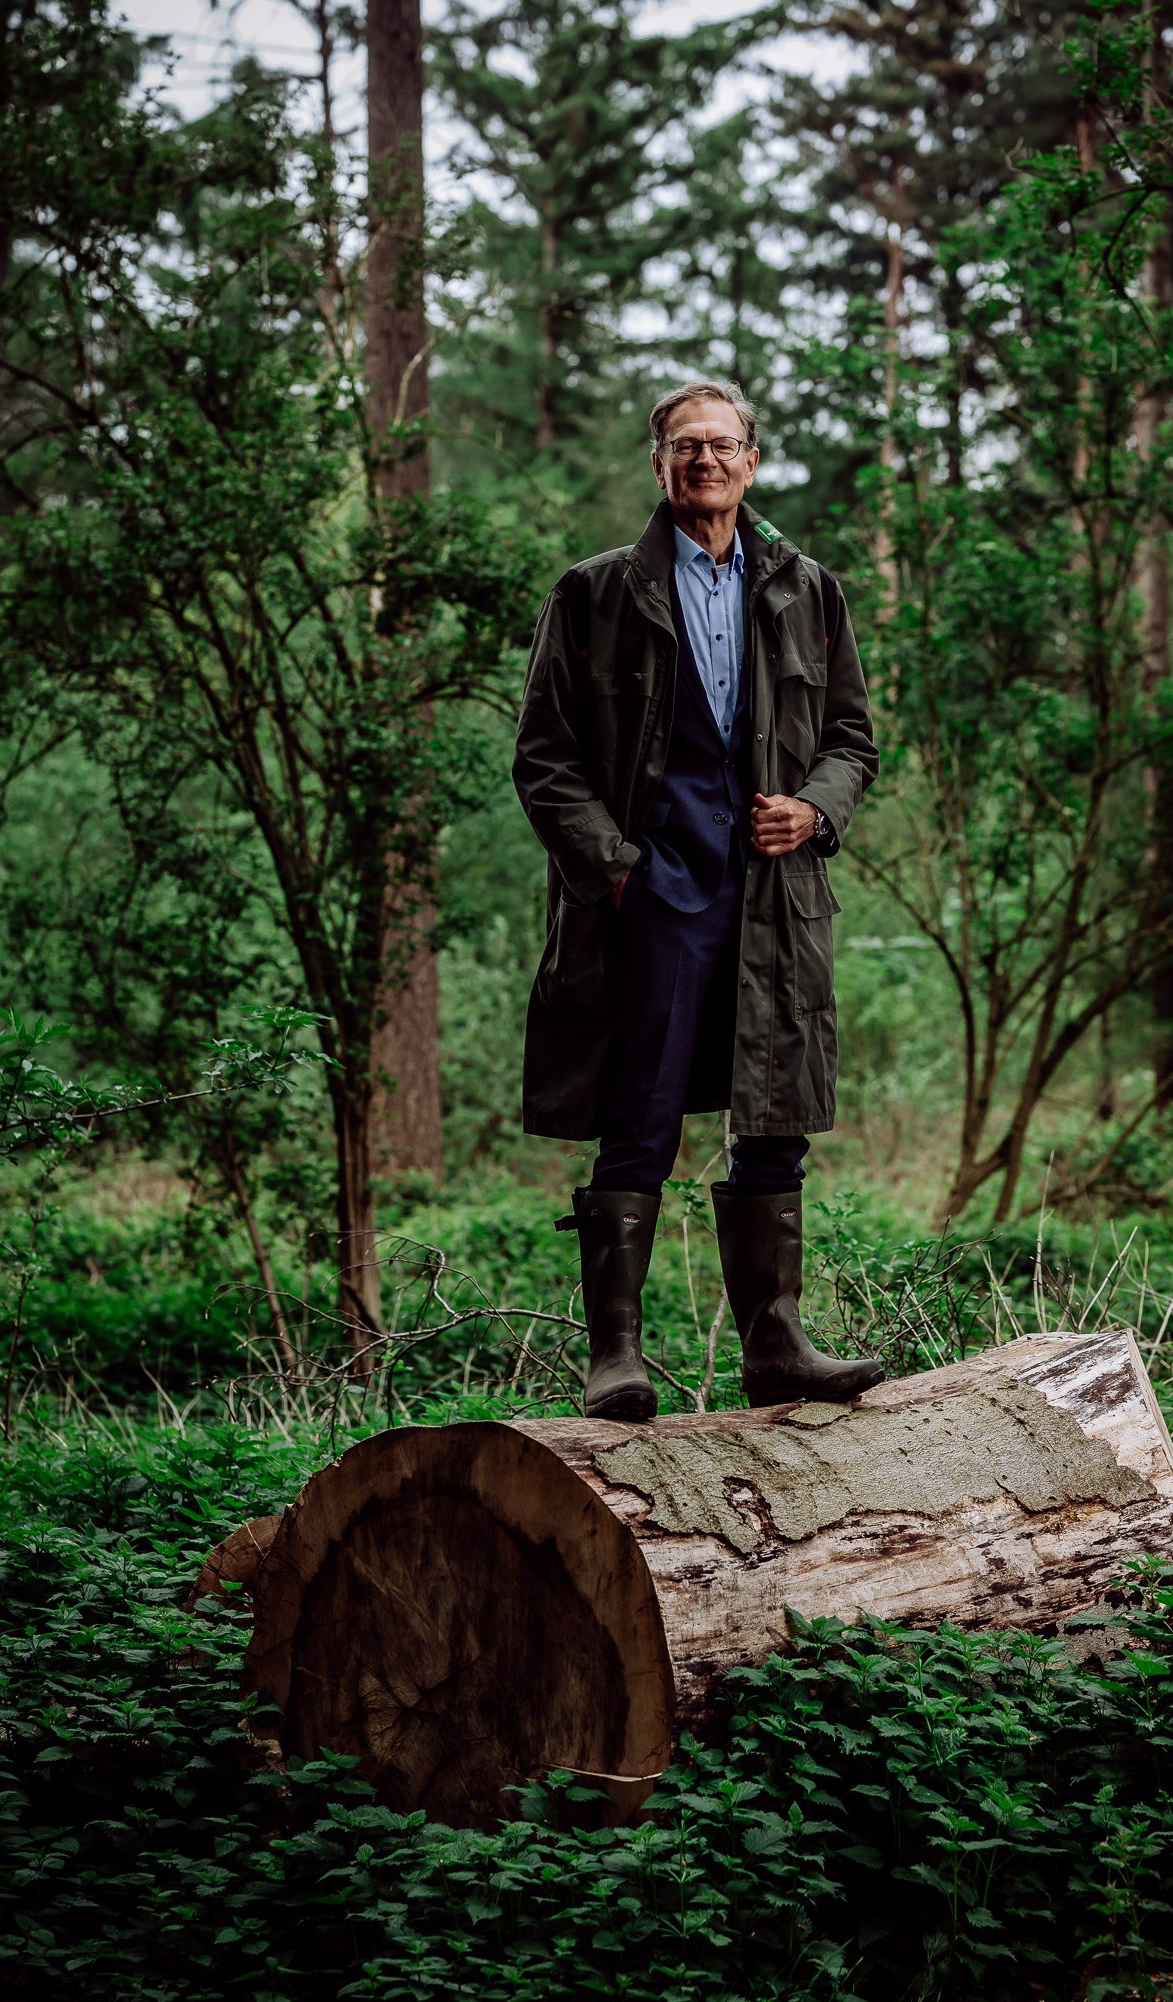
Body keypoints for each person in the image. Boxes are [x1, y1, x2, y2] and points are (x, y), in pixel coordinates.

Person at [512, 377, 883, 1420]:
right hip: (650, 893)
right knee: (638, 1117)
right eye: (684, 447)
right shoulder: (591, 594)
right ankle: (615, 1360)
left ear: (750, 463)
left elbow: (852, 740)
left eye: (720, 446)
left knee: (772, 1121)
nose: (703, 462)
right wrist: (616, 866)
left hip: (775, 897)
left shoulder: (807, 588)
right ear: (658, 464)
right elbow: (543, 757)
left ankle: (775, 1352)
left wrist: (812, 810)